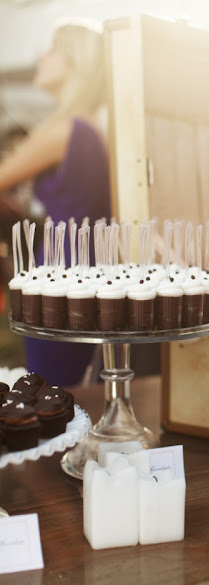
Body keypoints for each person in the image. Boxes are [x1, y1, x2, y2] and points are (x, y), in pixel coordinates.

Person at [0, 19, 111, 386]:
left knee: (52, 389)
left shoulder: (64, 130)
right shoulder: (93, 129)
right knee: (79, 384)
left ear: (73, 63)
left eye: (51, 50)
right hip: (92, 269)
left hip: (60, 274)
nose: (41, 58)